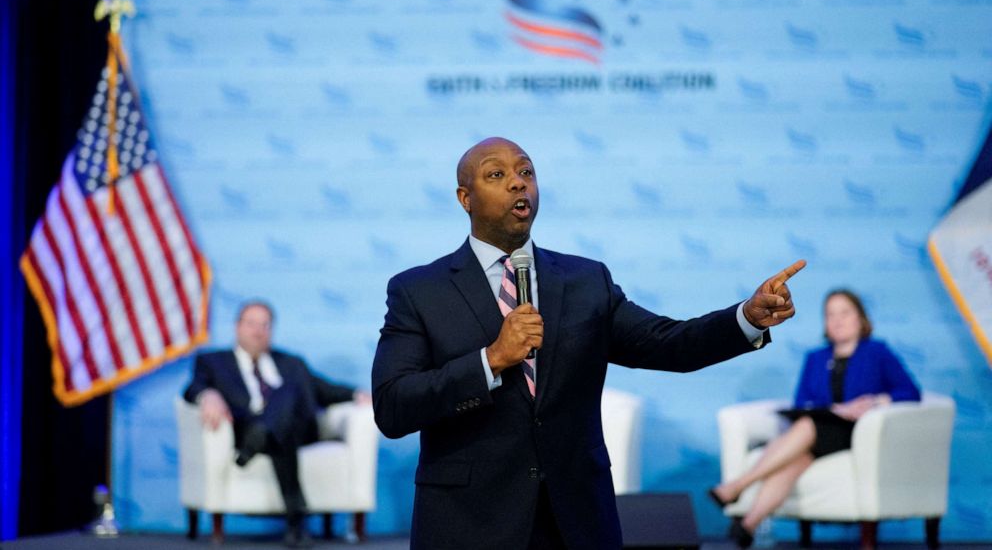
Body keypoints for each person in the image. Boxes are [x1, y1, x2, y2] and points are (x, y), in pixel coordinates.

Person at [371, 136, 806, 550]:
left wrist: (745, 318)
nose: (519, 181)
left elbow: (669, 343)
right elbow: (393, 405)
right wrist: (490, 361)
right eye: (497, 175)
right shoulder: (419, 291)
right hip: (469, 523)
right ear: (465, 199)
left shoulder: (585, 281)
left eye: (526, 171)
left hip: (575, 520)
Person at [708, 289, 921, 548]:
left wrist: (874, 401)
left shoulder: (877, 352)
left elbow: (910, 391)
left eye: (844, 313)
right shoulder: (816, 358)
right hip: (821, 429)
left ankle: (738, 485)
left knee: (807, 426)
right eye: (830, 315)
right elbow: (801, 402)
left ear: (860, 318)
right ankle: (749, 525)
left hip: (858, 432)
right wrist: (832, 408)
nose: (837, 320)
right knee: (797, 456)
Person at [183, 300, 369, 548]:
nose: (258, 330)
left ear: (271, 330)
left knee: (287, 391)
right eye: (251, 323)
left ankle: (260, 438)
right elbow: (192, 388)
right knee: (282, 432)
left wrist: (358, 394)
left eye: (264, 325)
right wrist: (208, 395)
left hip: (301, 429)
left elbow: (323, 390)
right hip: (247, 428)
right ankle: (295, 521)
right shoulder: (213, 362)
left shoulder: (291, 363)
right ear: (237, 327)